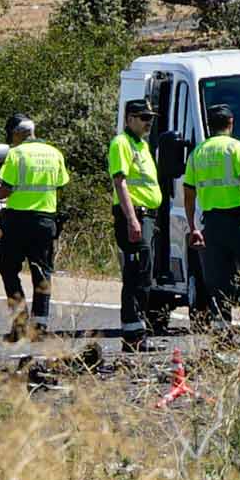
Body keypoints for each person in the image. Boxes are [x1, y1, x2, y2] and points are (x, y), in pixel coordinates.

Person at [182, 104, 240, 326]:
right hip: (238, 221)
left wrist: (193, 228)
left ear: (209, 125)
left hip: (211, 225)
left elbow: (188, 194)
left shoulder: (197, 153)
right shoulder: (236, 147)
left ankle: (221, 327)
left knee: (218, 278)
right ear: (230, 123)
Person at [0, 113, 70, 342]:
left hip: (17, 220)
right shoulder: (55, 153)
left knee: (8, 269)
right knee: (42, 272)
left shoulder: (15, 154)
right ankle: (40, 326)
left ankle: (19, 322)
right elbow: (60, 184)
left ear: (17, 133)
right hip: (45, 220)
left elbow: (6, 189)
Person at [107, 99, 162, 351]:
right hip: (135, 216)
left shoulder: (142, 144)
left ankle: (139, 332)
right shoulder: (122, 143)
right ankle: (133, 334)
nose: (148, 121)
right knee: (137, 273)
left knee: (144, 275)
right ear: (129, 119)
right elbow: (121, 182)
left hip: (147, 216)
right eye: (142, 117)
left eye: (149, 117)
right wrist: (131, 219)